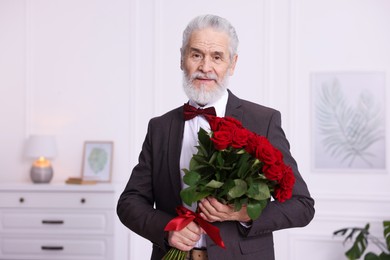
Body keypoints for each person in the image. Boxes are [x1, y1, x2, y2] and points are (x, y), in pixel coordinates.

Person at [117, 14, 315, 260]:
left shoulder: (263, 121)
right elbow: (129, 202)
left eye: (217, 57)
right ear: (182, 59)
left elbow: (302, 206)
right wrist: (167, 230)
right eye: (196, 54)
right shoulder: (160, 127)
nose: (205, 67)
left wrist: (243, 213)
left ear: (232, 64)